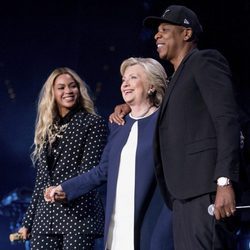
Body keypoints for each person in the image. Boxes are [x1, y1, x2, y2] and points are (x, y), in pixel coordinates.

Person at [109, 5, 241, 250]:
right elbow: (169, 116)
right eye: (156, 32)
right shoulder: (175, 80)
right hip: (181, 197)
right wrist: (129, 106)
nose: (157, 35)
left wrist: (224, 180)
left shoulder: (204, 61)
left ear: (186, 34)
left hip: (206, 191)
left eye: (164, 30)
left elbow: (227, 120)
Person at [45, 57, 174, 250]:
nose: (126, 83)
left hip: (153, 219)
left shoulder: (166, 120)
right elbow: (103, 170)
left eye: (133, 77)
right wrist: (65, 187)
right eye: (124, 79)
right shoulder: (118, 123)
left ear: (151, 86)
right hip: (118, 220)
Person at [18, 67, 108, 249]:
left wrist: (64, 191)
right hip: (45, 218)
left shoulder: (93, 123)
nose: (68, 91)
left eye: (72, 86)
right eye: (61, 87)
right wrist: (28, 221)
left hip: (78, 216)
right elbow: (42, 180)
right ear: (52, 93)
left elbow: (90, 172)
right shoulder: (47, 128)